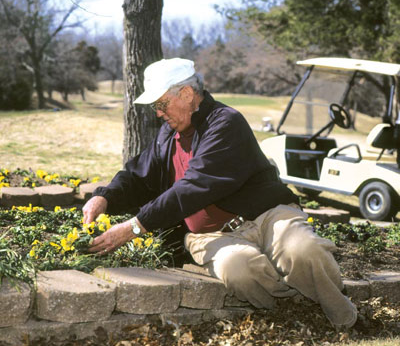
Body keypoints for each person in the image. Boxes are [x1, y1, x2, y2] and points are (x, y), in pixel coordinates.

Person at [83, 57, 357, 329]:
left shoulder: (225, 123)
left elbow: (194, 186)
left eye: (162, 104)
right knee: (239, 270)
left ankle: (346, 319)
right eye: (156, 106)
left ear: (187, 94)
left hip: (267, 215)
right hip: (210, 235)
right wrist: (104, 197)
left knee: (303, 250)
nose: (158, 113)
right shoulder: (167, 135)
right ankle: (293, 312)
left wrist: (135, 227)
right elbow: (138, 175)